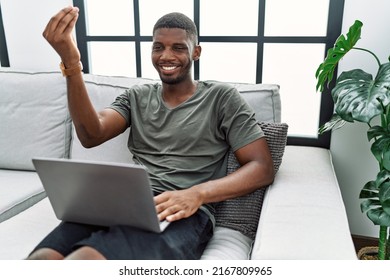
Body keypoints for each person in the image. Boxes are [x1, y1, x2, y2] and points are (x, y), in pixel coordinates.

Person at [27, 6, 274, 260]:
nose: (166, 56)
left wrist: (197, 193)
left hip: (183, 213)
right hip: (122, 202)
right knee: (43, 258)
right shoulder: (137, 96)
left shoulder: (221, 98)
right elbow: (91, 135)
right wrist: (71, 62)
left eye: (178, 47)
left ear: (196, 52)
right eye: (158, 47)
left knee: (86, 259)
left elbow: (262, 167)